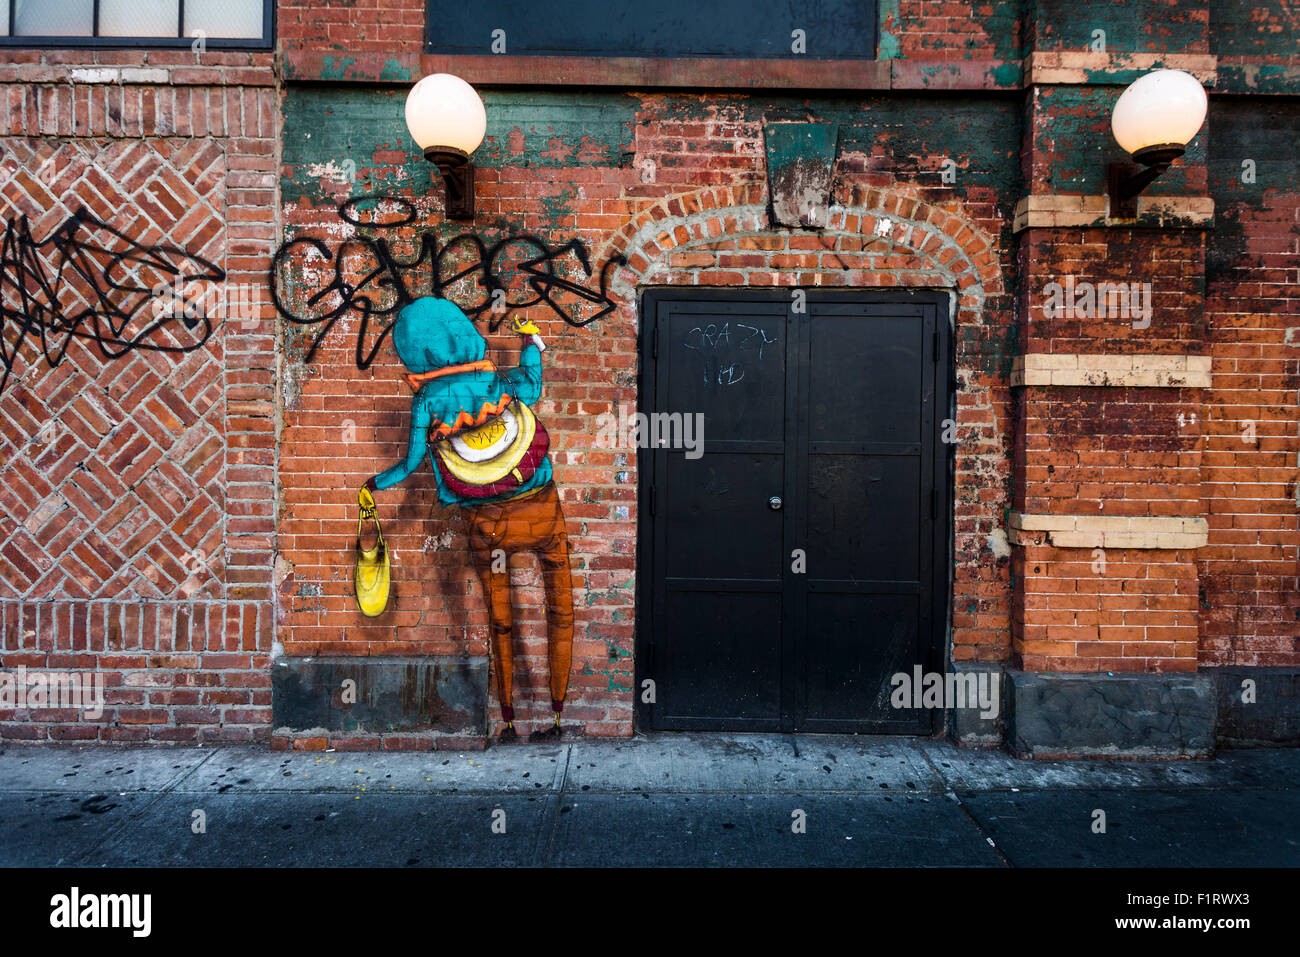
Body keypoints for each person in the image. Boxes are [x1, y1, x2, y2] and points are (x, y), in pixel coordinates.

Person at [362, 296, 573, 742]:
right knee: (561, 607)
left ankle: (510, 721)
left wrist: (372, 486)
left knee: (500, 618)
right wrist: (529, 339)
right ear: (463, 333)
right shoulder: (496, 379)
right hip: (541, 507)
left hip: (486, 520)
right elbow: (533, 387)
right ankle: (556, 715)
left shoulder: (424, 404)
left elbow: (411, 464)